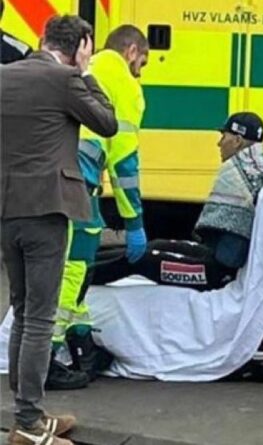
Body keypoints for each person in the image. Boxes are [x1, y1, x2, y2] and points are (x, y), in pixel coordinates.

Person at [0, 15, 117, 445]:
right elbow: (107, 122)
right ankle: (28, 425)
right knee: (39, 318)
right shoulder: (66, 78)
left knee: (21, 309)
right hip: (47, 210)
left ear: (42, 38)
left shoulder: (4, 75)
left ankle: (27, 415)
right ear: (81, 45)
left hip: (6, 211)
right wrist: (86, 72)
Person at [46, 24, 150, 391]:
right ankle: (49, 357)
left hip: (49, 182)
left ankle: (83, 343)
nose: (142, 71)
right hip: (78, 186)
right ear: (132, 51)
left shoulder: (81, 70)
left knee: (75, 270)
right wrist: (134, 220)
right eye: (144, 62)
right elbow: (124, 164)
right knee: (74, 271)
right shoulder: (126, 85)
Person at [89, 112, 263, 292]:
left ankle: (74, 280)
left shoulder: (241, 177)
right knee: (154, 245)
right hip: (214, 259)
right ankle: (81, 265)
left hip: (215, 273)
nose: (219, 143)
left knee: (141, 260)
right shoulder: (257, 170)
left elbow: (230, 257)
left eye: (223, 136)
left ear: (237, 141)